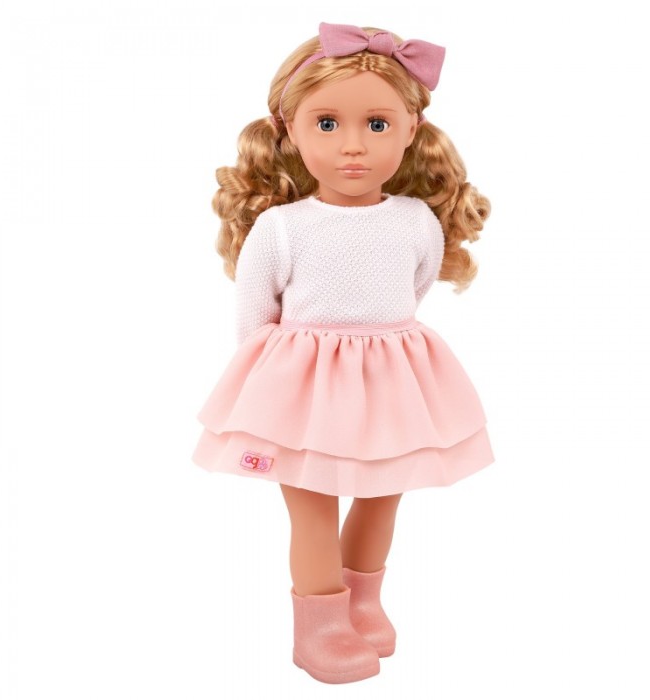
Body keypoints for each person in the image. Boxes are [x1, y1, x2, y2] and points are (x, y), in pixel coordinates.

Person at [192, 22, 495, 684]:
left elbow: (412, 290)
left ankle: (363, 603)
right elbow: (253, 318)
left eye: (377, 124)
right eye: (327, 123)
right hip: (301, 393)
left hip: (390, 382)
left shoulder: (416, 220)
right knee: (312, 507)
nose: (352, 145)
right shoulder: (281, 228)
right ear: (290, 130)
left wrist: (372, 343)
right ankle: (320, 626)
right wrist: (267, 399)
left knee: (384, 496)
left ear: (411, 129)